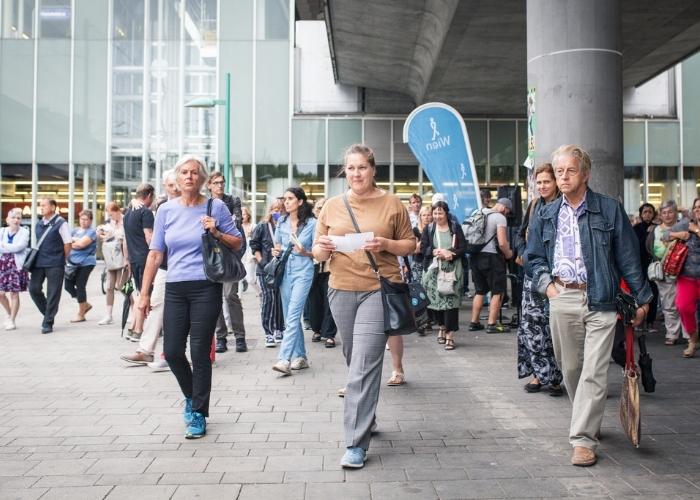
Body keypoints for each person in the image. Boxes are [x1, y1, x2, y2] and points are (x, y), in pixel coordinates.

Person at [527, 144, 652, 467]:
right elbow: (533, 258)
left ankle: (583, 440)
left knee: (594, 371)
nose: (563, 176)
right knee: (570, 369)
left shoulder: (608, 209)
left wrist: (643, 298)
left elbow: (628, 257)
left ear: (585, 174)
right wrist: (549, 288)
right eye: (559, 171)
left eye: (570, 170)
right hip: (562, 297)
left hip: (601, 298)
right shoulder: (546, 213)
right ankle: (587, 416)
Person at [313, 143, 414, 469]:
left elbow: (410, 244)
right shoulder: (332, 205)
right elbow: (317, 251)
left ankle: (356, 442)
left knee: (365, 362)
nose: (356, 174)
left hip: (377, 290)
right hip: (340, 289)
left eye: (362, 167)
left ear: (373, 170)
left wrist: (385, 243)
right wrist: (323, 248)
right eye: (351, 168)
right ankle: (366, 416)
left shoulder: (392, 204)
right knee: (353, 357)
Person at [137, 155, 241, 439]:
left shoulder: (215, 207)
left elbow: (237, 241)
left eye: (195, 173)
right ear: (177, 178)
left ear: (202, 179)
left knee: (199, 352)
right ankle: (192, 396)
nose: (189, 177)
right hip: (176, 287)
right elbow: (156, 253)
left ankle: (198, 413)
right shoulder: (166, 211)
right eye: (184, 172)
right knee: (171, 351)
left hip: (206, 286)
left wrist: (216, 231)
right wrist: (143, 294)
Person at [120, 169, 181, 371]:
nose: (175, 188)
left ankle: (180, 354)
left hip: (187, 267)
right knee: (156, 305)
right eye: (170, 185)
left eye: (176, 184)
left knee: (182, 313)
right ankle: (147, 350)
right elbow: (154, 242)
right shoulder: (162, 207)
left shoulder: (196, 206)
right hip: (164, 266)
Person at [515, 163, 563, 396]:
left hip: (554, 278)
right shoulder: (534, 205)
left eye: (547, 181)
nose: (542, 186)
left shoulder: (563, 207)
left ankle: (554, 377)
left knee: (551, 328)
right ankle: (537, 374)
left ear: (556, 183)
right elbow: (519, 233)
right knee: (530, 327)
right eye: (539, 182)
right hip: (530, 276)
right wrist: (523, 253)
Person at [271, 187, 317, 375]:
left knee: (293, 313)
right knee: (291, 315)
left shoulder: (313, 223)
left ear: (300, 202)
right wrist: (275, 251)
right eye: (285, 199)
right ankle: (301, 357)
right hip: (285, 272)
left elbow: (318, 252)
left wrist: (305, 252)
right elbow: (277, 245)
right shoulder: (281, 221)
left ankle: (284, 359)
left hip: (303, 271)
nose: (286, 202)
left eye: (290, 198)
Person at [207, 171, 248, 353]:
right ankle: (221, 336)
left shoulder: (232, 201)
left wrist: (217, 226)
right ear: (209, 185)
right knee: (214, 297)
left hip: (231, 251)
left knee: (231, 294)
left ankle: (240, 336)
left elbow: (236, 223)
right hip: (212, 255)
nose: (220, 186)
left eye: (222, 182)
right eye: (216, 183)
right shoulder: (206, 203)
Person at [420, 200, 467, 350]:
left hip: (452, 271)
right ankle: (441, 326)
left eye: (440, 213)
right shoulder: (429, 228)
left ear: (446, 213)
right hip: (435, 271)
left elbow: (463, 247)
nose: (437, 216)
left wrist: (451, 253)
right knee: (436, 304)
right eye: (435, 213)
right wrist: (433, 252)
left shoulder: (455, 227)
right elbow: (423, 248)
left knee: (451, 304)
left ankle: (450, 335)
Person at [468, 198, 514, 333]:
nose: (506, 214)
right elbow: (502, 243)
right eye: (507, 211)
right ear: (504, 208)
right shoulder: (500, 218)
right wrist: (509, 253)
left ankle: (474, 322)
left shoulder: (478, 212)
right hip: (491, 258)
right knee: (497, 290)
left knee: (480, 290)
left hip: (475, 255)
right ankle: (492, 324)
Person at [29, 198, 72, 334]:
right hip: (39, 262)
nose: (41, 207)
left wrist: (61, 257)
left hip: (55, 263)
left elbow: (68, 244)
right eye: (40, 205)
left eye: (44, 205)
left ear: (53, 207)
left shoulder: (61, 223)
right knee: (33, 288)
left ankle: (48, 322)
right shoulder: (39, 224)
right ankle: (49, 312)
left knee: (53, 292)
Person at [250, 199, 285, 347]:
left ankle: (279, 328)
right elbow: (254, 244)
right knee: (268, 298)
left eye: (280, 209)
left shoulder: (285, 227)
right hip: (265, 269)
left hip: (281, 268)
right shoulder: (263, 226)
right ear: (270, 210)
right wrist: (262, 262)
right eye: (274, 209)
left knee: (279, 299)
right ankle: (268, 333)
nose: (277, 211)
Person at [649, 201, 685, 345]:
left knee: (686, 304)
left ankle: (689, 334)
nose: (667, 215)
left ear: (676, 212)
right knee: (668, 305)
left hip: (684, 270)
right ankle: (672, 334)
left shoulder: (684, 226)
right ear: (660, 215)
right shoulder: (655, 230)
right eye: (664, 212)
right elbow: (650, 248)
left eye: (670, 212)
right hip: (665, 271)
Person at [123, 183, 155, 342]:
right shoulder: (146, 213)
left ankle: (132, 328)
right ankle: (138, 330)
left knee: (138, 293)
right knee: (145, 294)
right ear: (148, 195)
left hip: (134, 259)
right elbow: (149, 237)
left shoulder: (128, 213)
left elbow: (124, 241)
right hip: (145, 259)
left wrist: (127, 259)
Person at [669, 197, 700, 358]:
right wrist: (678, 234)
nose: (697, 210)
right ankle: (693, 339)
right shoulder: (686, 224)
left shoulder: (693, 227)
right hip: (687, 276)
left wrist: (695, 231)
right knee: (683, 307)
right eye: (695, 207)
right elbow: (665, 234)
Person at [309, 197, 338, 348]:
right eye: (319, 207)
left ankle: (330, 334)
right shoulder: (309, 225)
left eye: (324, 207)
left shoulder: (334, 224)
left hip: (330, 267)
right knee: (314, 300)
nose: (321, 210)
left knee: (329, 300)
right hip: (312, 266)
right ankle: (317, 329)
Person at [97, 202, 127, 326]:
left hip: (123, 257)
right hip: (111, 257)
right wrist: (103, 234)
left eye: (111, 214)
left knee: (122, 286)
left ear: (117, 211)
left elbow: (125, 238)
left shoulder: (126, 221)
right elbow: (108, 237)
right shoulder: (110, 223)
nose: (110, 217)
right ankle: (108, 315)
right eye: (109, 214)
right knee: (109, 286)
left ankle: (133, 309)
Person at [64, 210, 97, 322]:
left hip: (86, 262)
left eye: (86, 219)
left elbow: (81, 244)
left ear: (90, 221)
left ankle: (81, 314)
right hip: (72, 263)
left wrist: (73, 243)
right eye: (82, 219)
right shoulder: (74, 231)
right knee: (68, 286)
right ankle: (85, 304)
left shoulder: (92, 232)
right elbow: (65, 242)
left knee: (80, 285)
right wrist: (75, 243)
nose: (83, 221)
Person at [0, 208, 30, 330]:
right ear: (7, 220)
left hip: (16, 266)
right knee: (1, 294)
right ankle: (9, 313)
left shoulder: (25, 232)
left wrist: (3, 245)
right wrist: (9, 247)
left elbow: (19, 247)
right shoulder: (2, 231)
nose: (16, 220)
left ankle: (12, 320)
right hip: (2, 264)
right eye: (13, 217)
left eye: (18, 218)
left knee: (14, 293)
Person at [634, 202, 659, 332]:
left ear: (653, 214)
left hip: (653, 266)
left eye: (650, 212)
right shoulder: (636, 228)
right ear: (641, 214)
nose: (647, 214)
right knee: (639, 293)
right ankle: (640, 320)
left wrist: (654, 231)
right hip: (639, 266)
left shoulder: (658, 228)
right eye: (645, 212)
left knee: (653, 293)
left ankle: (650, 321)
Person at [240, 206, 257, 294]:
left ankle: (261, 293)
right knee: (239, 278)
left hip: (250, 255)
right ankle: (239, 297)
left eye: (244, 214)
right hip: (240, 256)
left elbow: (257, 241)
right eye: (241, 214)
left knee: (250, 279)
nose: (243, 216)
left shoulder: (253, 226)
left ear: (248, 215)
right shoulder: (237, 227)